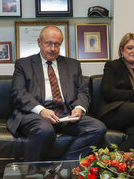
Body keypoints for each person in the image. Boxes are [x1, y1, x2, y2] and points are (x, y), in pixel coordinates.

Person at [8, 25, 106, 161]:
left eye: (57, 44)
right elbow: (18, 93)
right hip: (36, 114)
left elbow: (83, 91)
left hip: (66, 114)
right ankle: (30, 173)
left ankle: (62, 168)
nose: (52, 49)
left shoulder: (73, 65)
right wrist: (42, 111)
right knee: (44, 130)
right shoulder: (24, 64)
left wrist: (79, 108)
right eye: (48, 43)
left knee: (97, 127)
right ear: (39, 42)